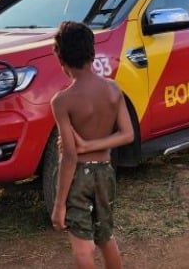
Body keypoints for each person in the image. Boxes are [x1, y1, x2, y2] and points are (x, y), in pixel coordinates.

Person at [51, 21, 135, 269]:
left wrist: (58, 205)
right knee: (105, 236)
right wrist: (90, 145)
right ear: (93, 53)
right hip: (105, 173)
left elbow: (69, 156)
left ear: (60, 58)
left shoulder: (62, 101)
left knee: (83, 248)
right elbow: (127, 134)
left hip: (79, 178)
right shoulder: (112, 89)